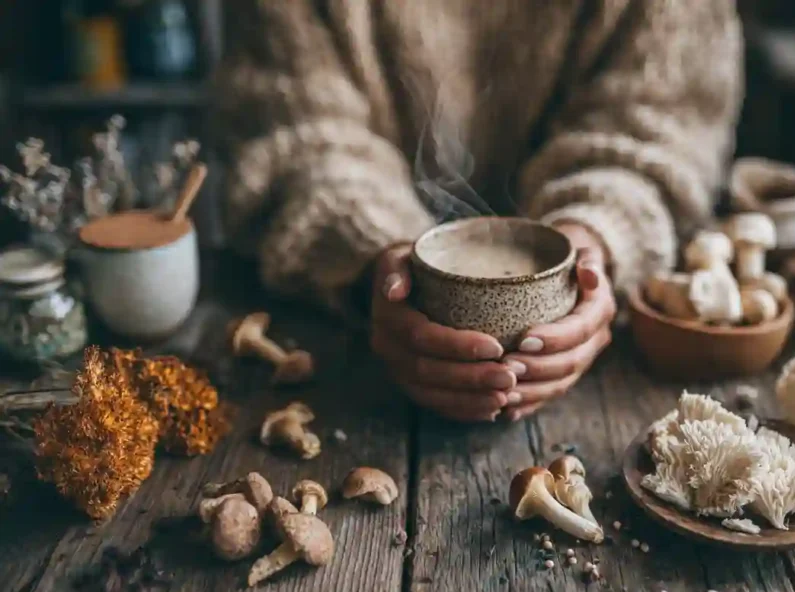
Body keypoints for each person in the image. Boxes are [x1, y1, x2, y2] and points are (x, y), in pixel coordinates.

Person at [215, 0, 742, 422]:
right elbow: (293, 130)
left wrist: (598, 233)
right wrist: (374, 255)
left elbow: (664, 119)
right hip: (346, 344)